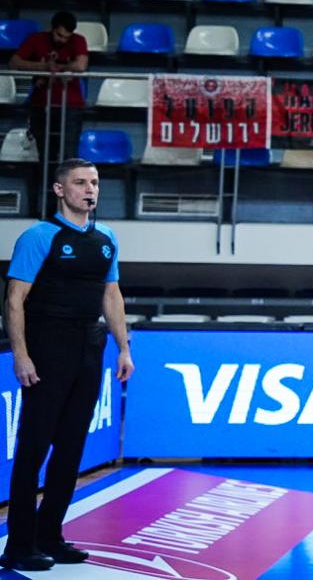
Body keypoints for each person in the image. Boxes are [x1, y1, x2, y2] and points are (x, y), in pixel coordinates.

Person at [3, 160, 133, 572]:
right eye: (79, 182)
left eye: (94, 182)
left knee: (71, 446)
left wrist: (123, 349)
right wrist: (21, 355)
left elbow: (111, 295)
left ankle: (50, 536)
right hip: (47, 348)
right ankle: (20, 544)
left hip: (89, 349)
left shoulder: (107, 238)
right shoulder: (39, 236)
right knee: (34, 448)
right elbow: (13, 300)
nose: (89, 189)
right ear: (60, 190)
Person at [8, 11, 87, 172]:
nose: (63, 40)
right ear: (52, 28)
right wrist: (44, 67)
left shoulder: (78, 40)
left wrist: (58, 68)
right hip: (41, 105)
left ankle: (67, 197)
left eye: (67, 37)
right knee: (45, 157)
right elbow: (14, 62)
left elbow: (80, 65)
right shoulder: (36, 39)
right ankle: (47, 196)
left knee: (69, 158)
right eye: (59, 35)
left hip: (71, 107)